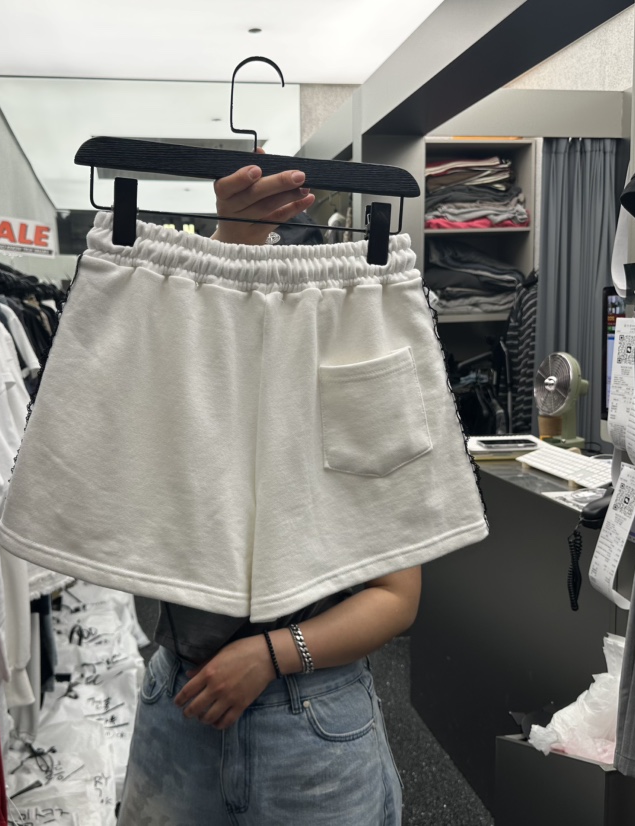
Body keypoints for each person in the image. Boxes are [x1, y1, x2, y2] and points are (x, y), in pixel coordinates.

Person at [116, 158, 421, 826]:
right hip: (181, 700)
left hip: (309, 715)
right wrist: (231, 241)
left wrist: (270, 654)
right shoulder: (189, 390)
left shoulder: (356, 389)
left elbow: (397, 595)